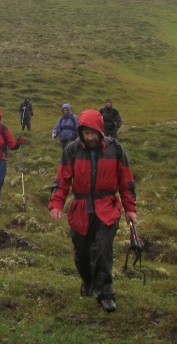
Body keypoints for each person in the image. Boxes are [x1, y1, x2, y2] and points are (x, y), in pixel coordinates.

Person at [48, 109, 137, 313]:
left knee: (102, 250)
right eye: (86, 133)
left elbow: (126, 180)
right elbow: (62, 180)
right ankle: (88, 280)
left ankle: (106, 293)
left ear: (100, 131)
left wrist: (130, 209)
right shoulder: (71, 150)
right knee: (81, 254)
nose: (89, 137)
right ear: (80, 132)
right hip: (81, 209)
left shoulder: (115, 149)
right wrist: (56, 204)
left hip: (107, 208)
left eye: (93, 133)